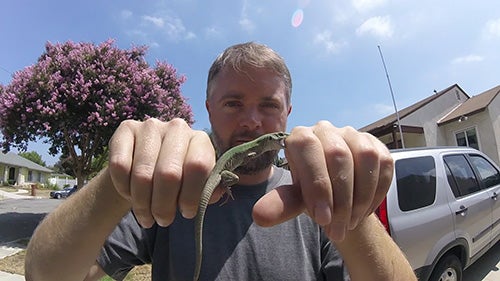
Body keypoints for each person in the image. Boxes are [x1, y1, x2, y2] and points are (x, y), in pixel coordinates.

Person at [25, 42, 416, 281]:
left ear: (288, 114)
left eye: (268, 105)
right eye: (233, 103)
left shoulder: (311, 201)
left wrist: (346, 209)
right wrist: (118, 180)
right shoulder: (171, 188)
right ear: (208, 109)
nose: (251, 121)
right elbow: (44, 277)